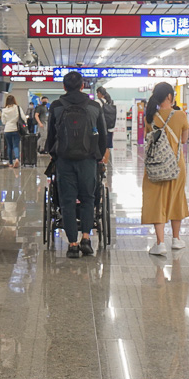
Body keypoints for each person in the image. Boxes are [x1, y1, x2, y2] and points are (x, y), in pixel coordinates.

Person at [46, 71, 109, 259]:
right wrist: (97, 157)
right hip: (88, 161)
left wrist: (54, 154)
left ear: (64, 87)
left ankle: (72, 245)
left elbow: (50, 137)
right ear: (82, 86)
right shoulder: (94, 106)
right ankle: (86, 239)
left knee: (67, 201)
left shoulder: (56, 106)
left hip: (65, 161)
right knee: (89, 199)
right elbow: (103, 137)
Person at [141, 82, 189, 256]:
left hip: (155, 166)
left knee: (156, 201)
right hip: (176, 165)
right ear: (169, 96)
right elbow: (184, 140)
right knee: (176, 199)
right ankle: (176, 239)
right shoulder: (181, 115)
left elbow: (148, 139)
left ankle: (160, 243)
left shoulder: (149, 117)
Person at [1, 94, 26, 169]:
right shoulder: (17, 108)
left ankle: (11, 163)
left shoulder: (4, 110)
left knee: (9, 146)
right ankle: (17, 159)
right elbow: (23, 117)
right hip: (16, 129)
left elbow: (3, 121)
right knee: (16, 145)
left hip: (7, 129)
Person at [96, 87, 117, 154]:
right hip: (110, 128)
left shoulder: (98, 102)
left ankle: (100, 162)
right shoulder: (110, 102)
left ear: (99, 93)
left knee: (99, 146)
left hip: (101, 128)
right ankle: (105, 163)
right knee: (107, 147)